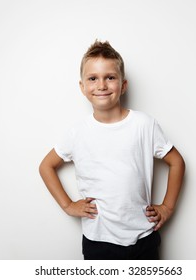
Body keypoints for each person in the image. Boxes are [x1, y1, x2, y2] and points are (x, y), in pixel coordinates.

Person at [39, 40, 185, 260]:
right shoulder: (77, 132)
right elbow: (46, 166)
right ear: (82, 87)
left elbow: (177, 162)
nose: (102, 85)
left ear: (123, 85)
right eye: (93, 78)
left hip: (143, 237)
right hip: (98, 241)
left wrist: (167, 207)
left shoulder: (144, 125)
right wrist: (68, 205)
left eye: (110, 77)